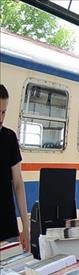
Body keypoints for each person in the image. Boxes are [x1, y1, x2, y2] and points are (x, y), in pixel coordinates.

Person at [0, 84, 29, 251]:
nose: (1, 118)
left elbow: (18, 183)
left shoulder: (9, 138)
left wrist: (26, 226)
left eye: (4, 112)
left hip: (8, 227)